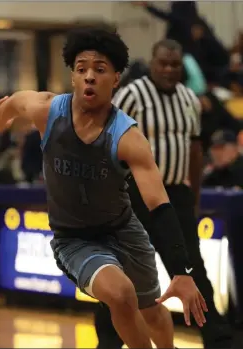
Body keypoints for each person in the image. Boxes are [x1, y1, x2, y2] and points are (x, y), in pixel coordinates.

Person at [0, 28, 207, 349]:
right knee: (120, 294)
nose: (90, 76)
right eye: (81, 69)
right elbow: (3, 113)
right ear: (73, 77)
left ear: (116, 79)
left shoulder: (128, 137)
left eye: (100, 70)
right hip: (75, 238)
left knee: (154, 312)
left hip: (124, 230)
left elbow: (159, 204)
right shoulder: (47, 110)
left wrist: (182, 272)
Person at [95, 39, 233, 349]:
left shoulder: (189, 98)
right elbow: (107, 145)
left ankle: (217, 338)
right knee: (121, 272)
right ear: (152, 63)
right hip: (134, 197)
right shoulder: (131, 95)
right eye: (163, 64)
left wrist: (193, 196)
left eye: (175, 64)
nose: (169, 70)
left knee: (191, 269)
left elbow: (195, 149)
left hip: (176, 197)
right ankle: (108, 341)